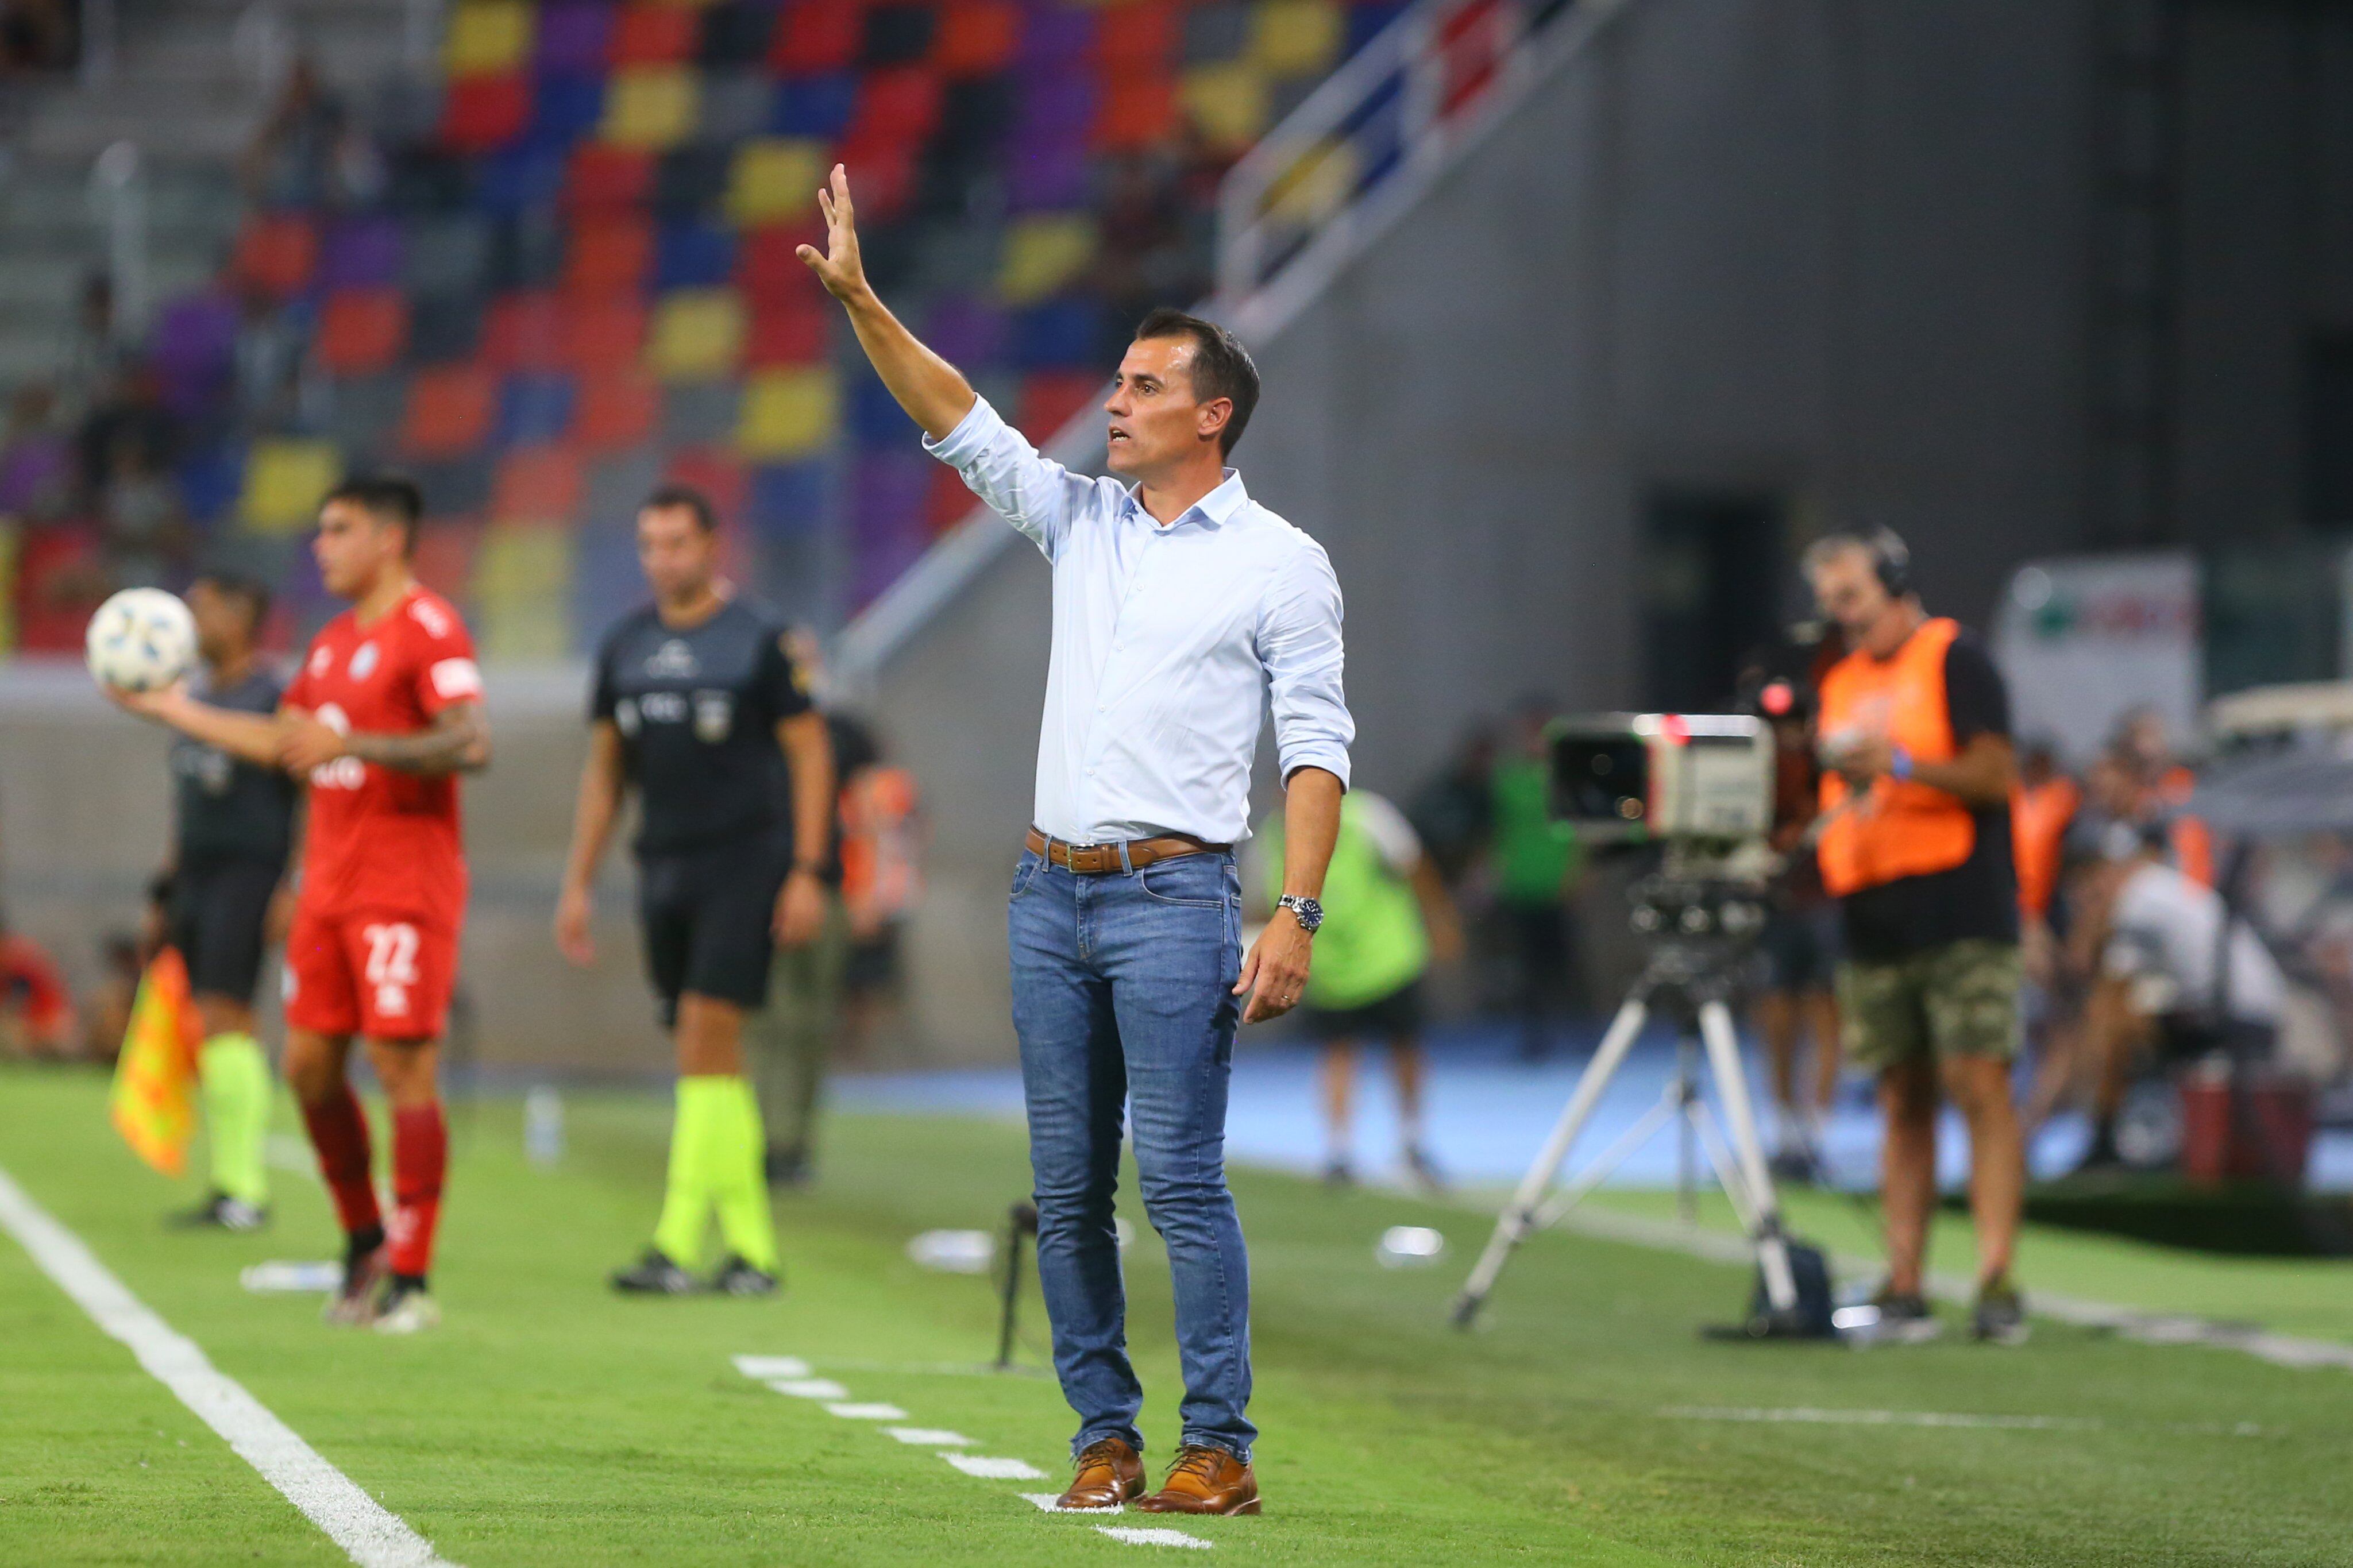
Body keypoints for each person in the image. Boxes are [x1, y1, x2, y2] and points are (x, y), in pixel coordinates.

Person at [806, 164, 1351, 1516]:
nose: (1115, 400)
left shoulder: (1281, 561)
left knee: (1176, 1183)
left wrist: (1297, 911)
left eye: (1145, 386)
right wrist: (865, 304)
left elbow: (1318, 747)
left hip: (1177, 900)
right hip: (1049, 893)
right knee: (1064, 1192)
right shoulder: (1081, 521)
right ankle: (1103, 1439)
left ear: (1213, 415)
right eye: (1117, 381)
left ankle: (1217, 1447)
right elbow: (959, 420)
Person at [109, 474, 490, 1334]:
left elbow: (471, 739)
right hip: (329, 888)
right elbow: (285, 742)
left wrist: (352, 740)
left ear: (387, 539)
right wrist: (171, 706)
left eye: (337, 530)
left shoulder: (430, 627)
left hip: (402, 886)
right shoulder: (327, 647)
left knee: (402, 1069)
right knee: (309, 1069)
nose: (320, 546)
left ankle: (413, 1279)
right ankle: (362, 1242)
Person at [555, 485, 834, 1295]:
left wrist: (809, 870)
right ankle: (752, 1250)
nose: (662, 559)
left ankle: (677, 1242)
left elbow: (810, 756)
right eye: (649, 544)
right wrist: (577, 881)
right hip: (662, 865)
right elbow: (606, 771)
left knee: (709, 1032)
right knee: (704, 1049)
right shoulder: (625, 646)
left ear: (713, 546)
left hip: (744, 863)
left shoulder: (760, 640)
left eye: (677, 542)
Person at [1804, 527, 2027, 1345]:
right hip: (1875, 912)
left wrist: (1898, 766)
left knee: (1979, 1083)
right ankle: (1905, 1281)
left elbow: (1999, 775)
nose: (1842, 618)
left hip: (1962, 906)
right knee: (1901, 1097)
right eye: (1830, 604)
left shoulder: (1955, 657)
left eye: (1852, 598)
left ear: (1896, 582)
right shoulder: (1838, 681)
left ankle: (1996, 1276)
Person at [159, 571, 300, 1231]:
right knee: (210, 1018)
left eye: (202, 608)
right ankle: (228, 1184)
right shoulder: (193, 696)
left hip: (251, 873)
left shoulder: (274, 694)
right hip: (198, 875)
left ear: (242, 614)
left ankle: (242, 1189)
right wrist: (165, 886)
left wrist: (294, 884)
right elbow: (186, 800)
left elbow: (309, 793)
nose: (190, 622)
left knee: (229, 1015)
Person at [1260, 790, 1461, 1189]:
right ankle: (1339, 1151)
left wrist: (1439, 920)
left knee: (1403, 1048)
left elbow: (1414, 866)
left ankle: (1412, 1142)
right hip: (1331, 967)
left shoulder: (1368, 815)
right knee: (1338, 1054)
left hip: (1387, 956)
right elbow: (1266, 900)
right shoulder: (1273, 835)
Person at [2063, 826, 2287, 1172]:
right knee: (2125, 1015)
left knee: (2112, 1025)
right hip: (2256, 1014)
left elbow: (2106, 992)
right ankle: (2134, 1129)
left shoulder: (2139, 899)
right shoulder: (2160, 888)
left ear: (2100, 875)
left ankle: (2104, 1138)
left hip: (2237, 1019)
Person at [740, 627, 862, 1189]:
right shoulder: (755, 727)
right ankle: (767, 1140)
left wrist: (875, 890)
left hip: (829, 888)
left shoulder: (845, 732)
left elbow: (877, 810)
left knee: (813, 1022)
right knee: (769, 1019)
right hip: (763, 884)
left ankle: (798, 1143)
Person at [1489, 697, 1582, 1059]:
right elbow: (1499, 831)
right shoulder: (1507, 778)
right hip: (1521, 884)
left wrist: (1577, 874)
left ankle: (1576, 1033)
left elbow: (1578, 832)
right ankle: (1534, 1035)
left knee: (1563, 962)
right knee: (1526, 966)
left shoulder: (1565, 775)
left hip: (1556, 884)